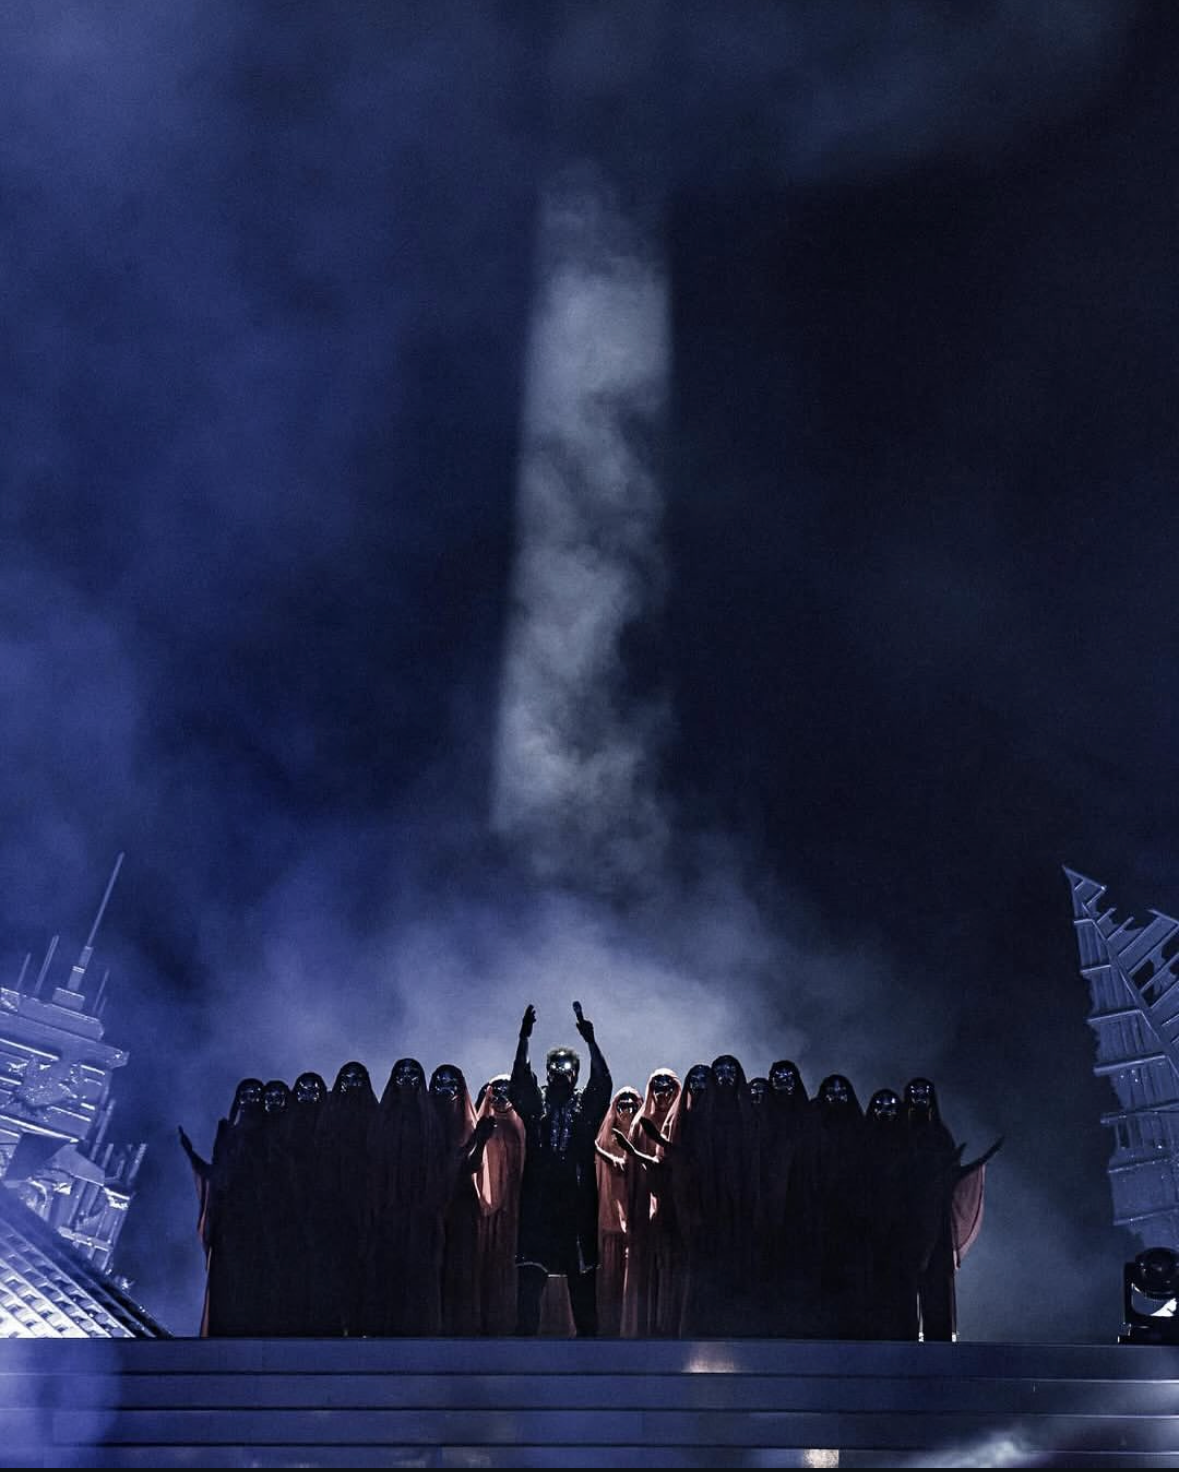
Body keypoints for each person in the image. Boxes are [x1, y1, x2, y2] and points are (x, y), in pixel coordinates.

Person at [509, 1000, 612, 1336]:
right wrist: (524, 1039)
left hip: (575, 1199)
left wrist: (591, 1043)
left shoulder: (583, 1107)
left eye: (567, 1067)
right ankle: (524, 1348)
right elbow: (518, 1083)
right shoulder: (537, 1105)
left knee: (581, 1276)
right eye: (555, 1066)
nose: (560, 1072)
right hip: (540, 1198)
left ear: (575, 1073)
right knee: (531, 1273)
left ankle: (589, 1349)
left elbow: (602, 1085)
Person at [178, 1077, 267, 1336]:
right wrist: (193, 1157)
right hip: (230, 1219)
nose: (250, 1100)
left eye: (255, 1095)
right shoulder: (228, 1133)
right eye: (245, 1095)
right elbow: (217, 1176)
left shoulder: (271, 1132)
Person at [310, 1061, 377, 1335]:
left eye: (357, 1077)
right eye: (347, 1077)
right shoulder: (330, 1112)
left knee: (363, 1264)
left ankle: (361, 1323)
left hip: (363, 1200)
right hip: (332, 1201)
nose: (352, 1083)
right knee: (334, 1265)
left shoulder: (373, 1112)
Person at [473, 1075, 526, 1335]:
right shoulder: (479, 1122)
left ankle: (508, 1322)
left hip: (515, 1208)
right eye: (497, 1090)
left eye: (508, 1090)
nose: (502, 1095)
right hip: (484, 1208)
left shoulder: (522, 1123)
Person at [593, 1086, 642, 1336]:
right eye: (623, 1105)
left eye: (633, 1105)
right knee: (609, 1277)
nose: (627, 1110)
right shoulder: (606, 1137)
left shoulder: (642, 1134)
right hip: (611, 1212)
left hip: (636, 1212)